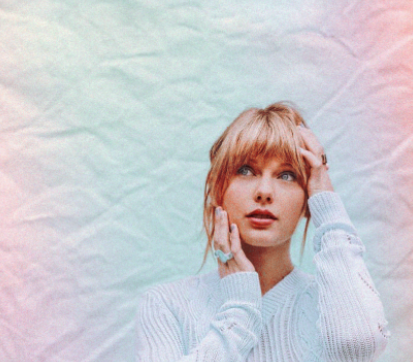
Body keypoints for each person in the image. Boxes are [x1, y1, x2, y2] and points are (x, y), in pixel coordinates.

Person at [136, 102, 390, 362]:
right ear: (217, 189)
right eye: (245, 171)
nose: (264, 192)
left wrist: (328, 209)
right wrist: (240, 312)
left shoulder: (332, 304)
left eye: (287, 175)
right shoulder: (166, 304)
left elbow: (358, 346)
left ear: (307, 200)